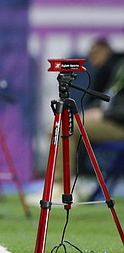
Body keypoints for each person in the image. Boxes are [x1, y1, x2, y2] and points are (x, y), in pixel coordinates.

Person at [53, 39, 124, 200]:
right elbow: (102, 98)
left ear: (105, 50)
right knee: (62, 125)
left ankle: (63, 187)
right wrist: (96, 111)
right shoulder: (111, 68)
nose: (94, 60)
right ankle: (72, 182)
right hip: (111, 119)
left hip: (118, 123)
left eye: (96, 54)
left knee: (67, 127)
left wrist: (104, 114)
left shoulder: (117, 65)